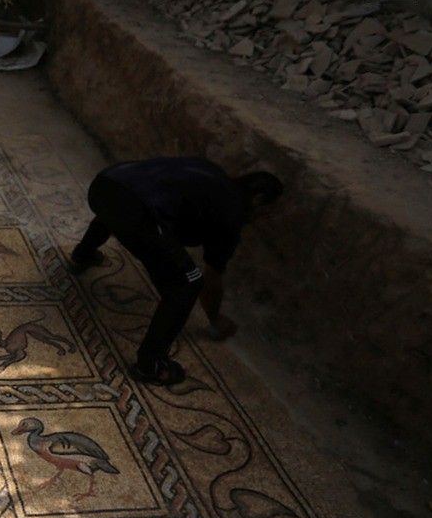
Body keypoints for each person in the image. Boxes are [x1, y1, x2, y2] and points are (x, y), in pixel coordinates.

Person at [68, 157, 284, 386]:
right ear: (258, 199)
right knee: (188, 284)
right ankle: (149, 365)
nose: (263, 219)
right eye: (266, 213)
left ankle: (82, 255)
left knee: (123, 205)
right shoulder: (233, 214)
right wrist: (216, 319)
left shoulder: (213, 172)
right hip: (135, 209)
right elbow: (211, 281)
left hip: (105, 183)